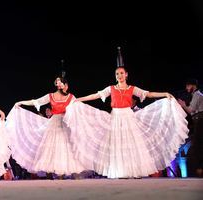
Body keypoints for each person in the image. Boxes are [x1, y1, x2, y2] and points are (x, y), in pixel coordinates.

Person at [64, 47, 189, 179]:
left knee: (132, 145)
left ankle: (133, 171)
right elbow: (96, 95)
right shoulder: (111, 88)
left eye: (121, 73)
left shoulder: (132, 88)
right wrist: (79, 99)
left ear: (126, 74)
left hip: (128, 117)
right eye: (117, 74)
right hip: (116, 117)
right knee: (117, 145)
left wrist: (164, 94)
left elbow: (147, 94)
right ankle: (120, 171)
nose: (119, 76)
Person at [6, 71, 85, 178]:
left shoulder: (71, 97)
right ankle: (57, 174)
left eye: (61, 82)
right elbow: (36, 101)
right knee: (53, 149)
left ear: (65, 85)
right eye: (58, 82)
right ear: (56, 84)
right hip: (54, 123)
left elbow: (78, 109)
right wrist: (21, 102)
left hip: (66, 123)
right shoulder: (51, 96)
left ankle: (73, 174)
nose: (59, 83)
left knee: (67, 148)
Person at [178, 78, 203, 177]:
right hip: (198, 120)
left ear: (193, 85)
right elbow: (192, 112)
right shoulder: (197, 95)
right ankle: (200, 168)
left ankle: (200, 168)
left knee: (198, 144)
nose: (186, 88)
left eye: (188, 86)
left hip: (200, 120)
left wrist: (183, 105)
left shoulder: (197, 94)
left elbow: (191, 110)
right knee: (198, 144)